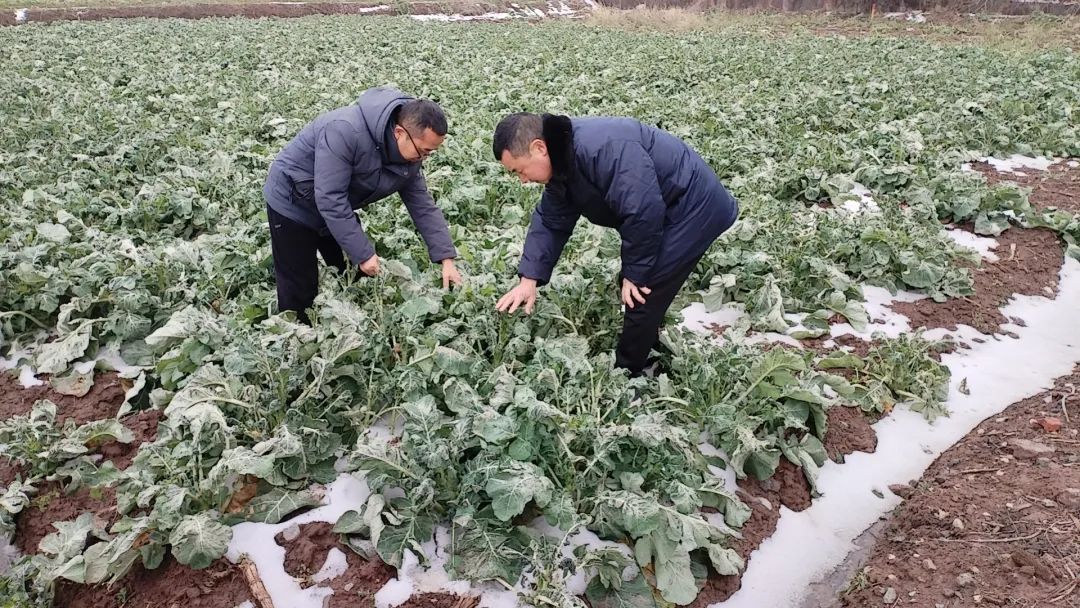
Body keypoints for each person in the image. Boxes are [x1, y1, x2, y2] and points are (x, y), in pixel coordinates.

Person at [493, 112, 739, 377]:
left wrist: (635, 274)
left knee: (643, 290)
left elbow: (642, 209)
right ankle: (649, 345)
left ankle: (630, 373)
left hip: (694, 204)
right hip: (666, 207)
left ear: (538, 148)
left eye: (519, 170)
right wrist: (528, 279)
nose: (523, 180)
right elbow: (552, 221)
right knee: (636, 284)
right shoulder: (562, 159)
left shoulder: (601, 148)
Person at [263, 86, 462, 323]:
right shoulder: (345, 130)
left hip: (334, 206)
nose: (424, 158)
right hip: (293, 201)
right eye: (424, 151)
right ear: (399, 132)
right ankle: (295, 342)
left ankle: (358, 326)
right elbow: (330, 198)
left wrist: (446, 258)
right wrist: (363, 254)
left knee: (356, 273)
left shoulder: (409, 159)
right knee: (301, 288)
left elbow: (423, 207)